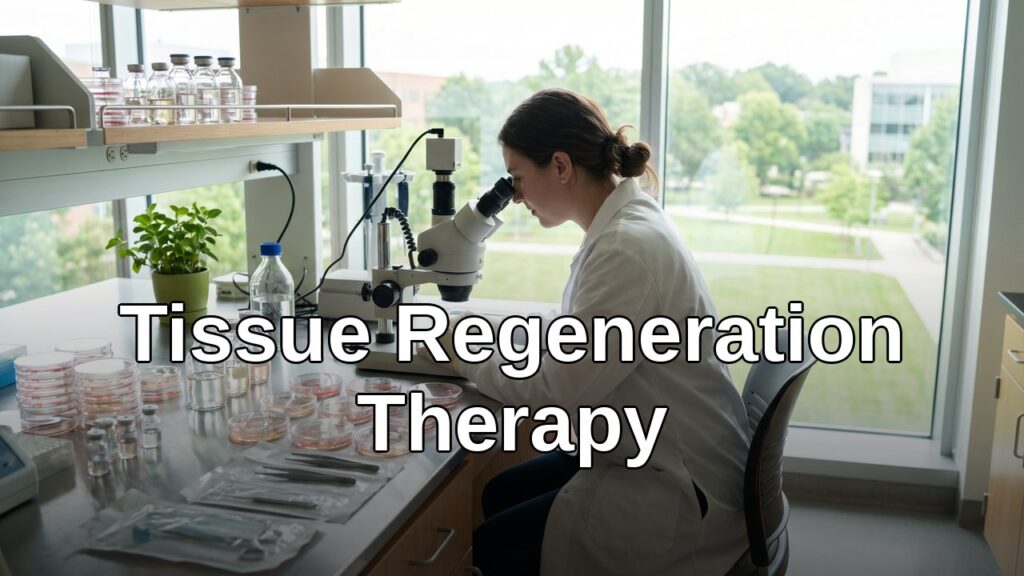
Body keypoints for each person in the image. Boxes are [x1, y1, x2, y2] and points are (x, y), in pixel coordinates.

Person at [425, 88, 752, 576]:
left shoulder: (626, 249)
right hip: (651, 449)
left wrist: (460, 350)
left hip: (677, 489)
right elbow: (582, 347)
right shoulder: (626, 224)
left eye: (517, 178)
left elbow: (560, 392)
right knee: (498, 492)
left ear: (560, 166)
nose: (513, 196)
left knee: (492, 544)